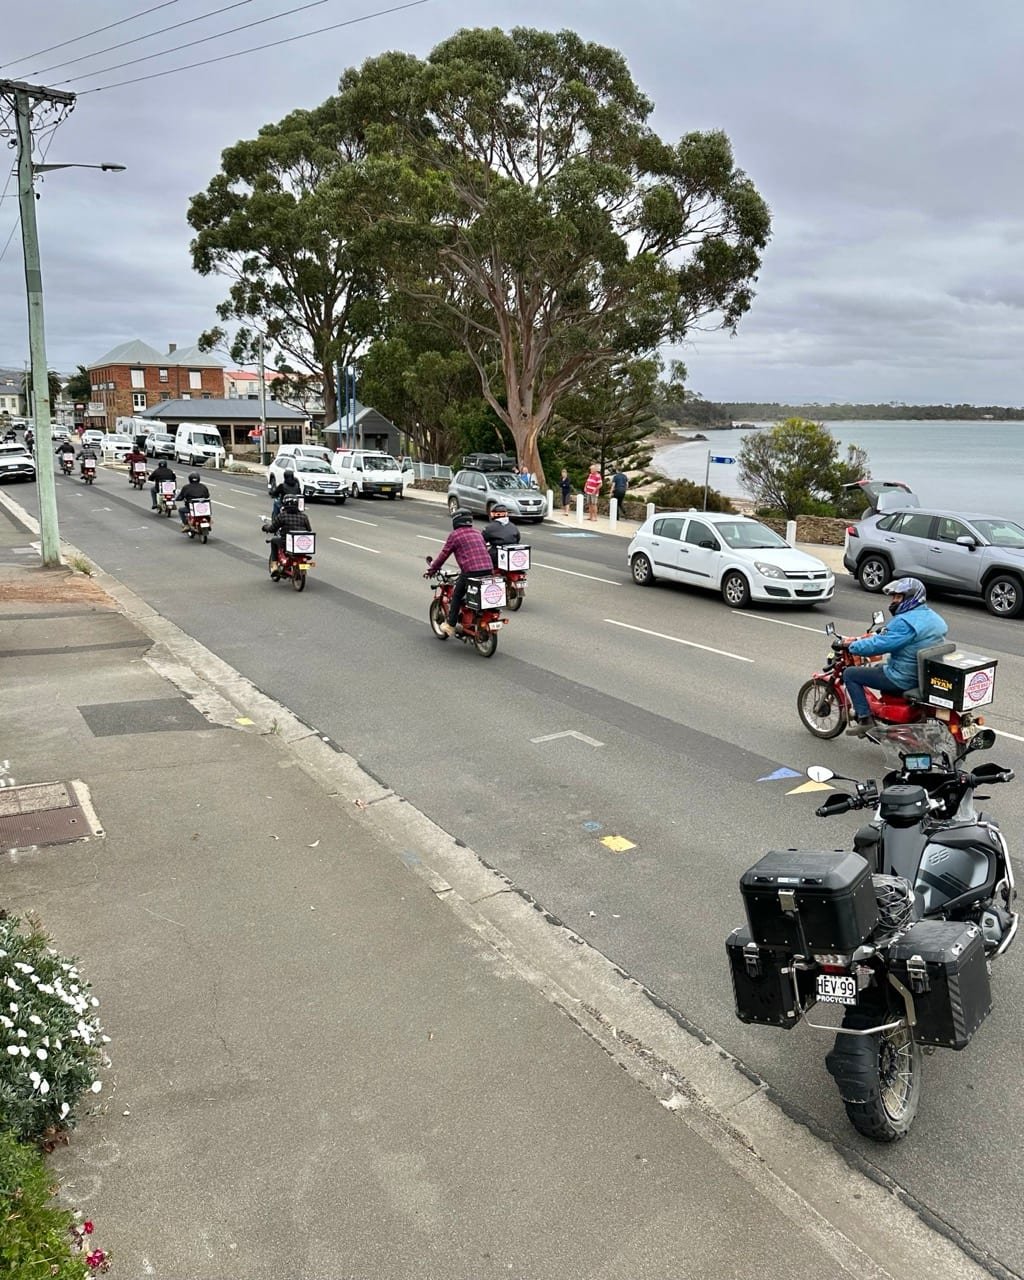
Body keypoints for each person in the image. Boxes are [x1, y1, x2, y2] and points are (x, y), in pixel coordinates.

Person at [841, 577, 948, 735]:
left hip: (903, 677)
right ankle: (887, 712)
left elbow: (880, 644)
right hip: (923, 675)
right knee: (879, 667)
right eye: (894, 597)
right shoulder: (932, 617)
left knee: (850, 674)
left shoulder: (904, 622)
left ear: (911, 598)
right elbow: (894, 636)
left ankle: (865, 719)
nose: (894, 601)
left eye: (898, 597)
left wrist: (853, 646)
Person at [424, 508, 494, 636]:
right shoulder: (477, 533)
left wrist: (432, 569)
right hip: (488, 569)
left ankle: (451, 625)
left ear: (456, 521)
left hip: (471, 571)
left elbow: (444, 555)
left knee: (457, 595)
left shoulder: (455, 535)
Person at [266, 492, 312, 570]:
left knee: (274, 541)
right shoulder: (304, 516)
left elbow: (272, 528)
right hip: (301, 544)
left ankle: (274, 566)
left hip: (286, 542)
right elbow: (309, 529)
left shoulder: (282, 515)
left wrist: (266, 528)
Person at [482, 502, 520, 566]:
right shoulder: (513, 526)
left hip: (497, 555)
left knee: (484, 559)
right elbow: (518, 538)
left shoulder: (489, 528)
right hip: (512, 555)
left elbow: (482, 540)